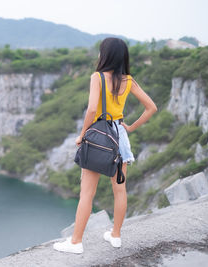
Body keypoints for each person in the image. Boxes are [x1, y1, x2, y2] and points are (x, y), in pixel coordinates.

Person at [53, 37, 158, 254]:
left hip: (99, 135)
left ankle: (75, 243)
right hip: (118, 136)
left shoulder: (97, 77)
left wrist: (82, 135)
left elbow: (92, 109)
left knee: (87, 194)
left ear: (106, 55)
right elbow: (151, 108)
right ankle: (116, 235)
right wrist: (129, 128)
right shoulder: (128, 81)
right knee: (119, 190)